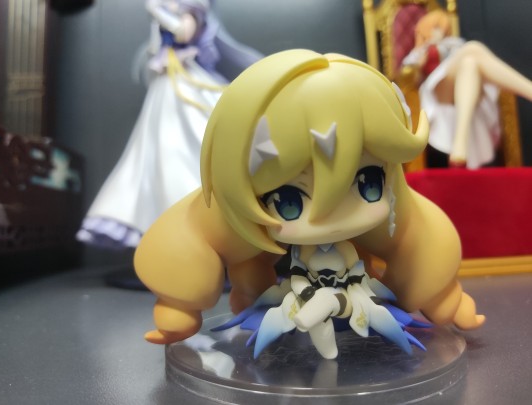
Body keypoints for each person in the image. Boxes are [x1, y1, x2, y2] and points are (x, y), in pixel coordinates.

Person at [134, 49, 485, 347]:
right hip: (293, 303)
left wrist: (441, 295)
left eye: (369, 182)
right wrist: (180, 303)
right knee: (252, 271)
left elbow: (417, 235)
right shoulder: (225, 215)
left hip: (352, 304)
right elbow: (190, 236)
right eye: (290, 200)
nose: (334, 219)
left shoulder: (395, 212)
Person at [77, 0, 262, 249]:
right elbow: (157, 47)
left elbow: (184, 33)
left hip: (184, 82)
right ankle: (168, 222)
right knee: (155, 152)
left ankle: (205, 216)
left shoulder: (189, 9)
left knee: (188, 143)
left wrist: (157, 12)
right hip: (166, 85)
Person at [402, 9, 532, 168]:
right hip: (436, 90)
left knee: (469, 63)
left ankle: (460, 144)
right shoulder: (420, 51)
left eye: (441, 27)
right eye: (434, 27)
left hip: (464, 87)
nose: (438, 31)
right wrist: (425, 51)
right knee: (473, 48)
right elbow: (410, 72)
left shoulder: (454, 44)